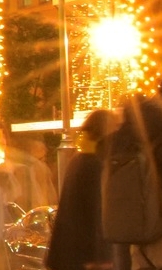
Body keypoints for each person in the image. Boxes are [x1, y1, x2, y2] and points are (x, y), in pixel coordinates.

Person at [47, 109, 116, 270]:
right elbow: (96, 213)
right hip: (86, 257)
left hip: (68, 253)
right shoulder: (95, 164)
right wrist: (102, 257)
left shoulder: (78, 159)